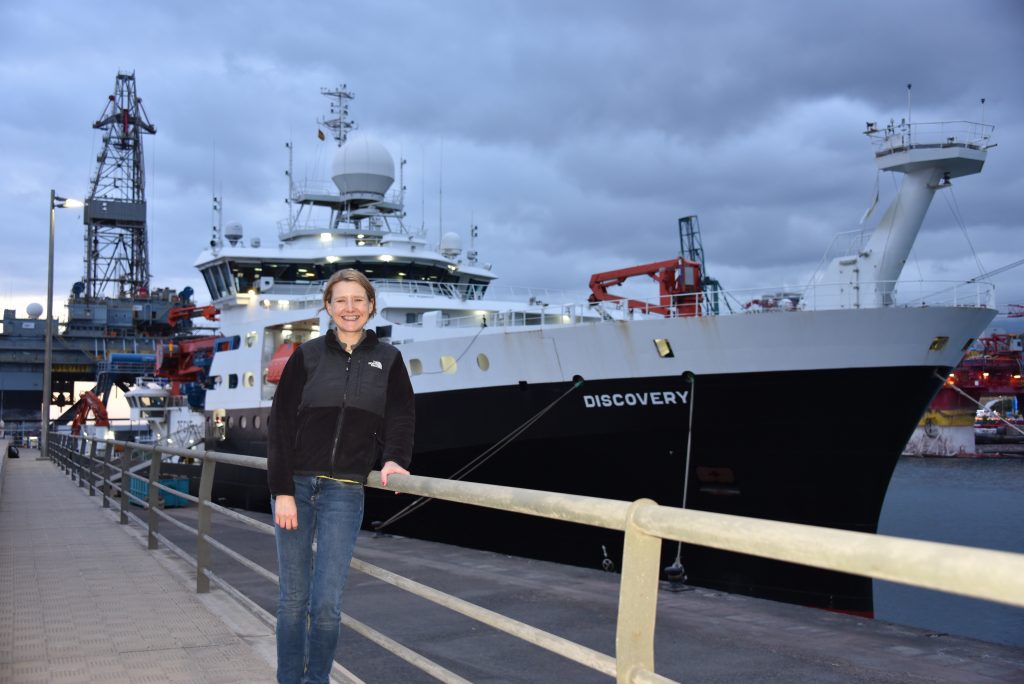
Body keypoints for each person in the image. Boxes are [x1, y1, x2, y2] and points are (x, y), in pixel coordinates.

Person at [267, 268, 415, 684]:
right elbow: (279, 424)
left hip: (346, 490)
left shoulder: (389, 360)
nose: (350, 308)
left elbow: (401, 415)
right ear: (328, 307)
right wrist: (281, 491)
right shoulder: (307, 355)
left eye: (358, 300)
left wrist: (395, 458)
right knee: (293, 598)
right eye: (340, 300)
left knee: (327, 604)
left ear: (371, 305)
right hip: (295, 485)